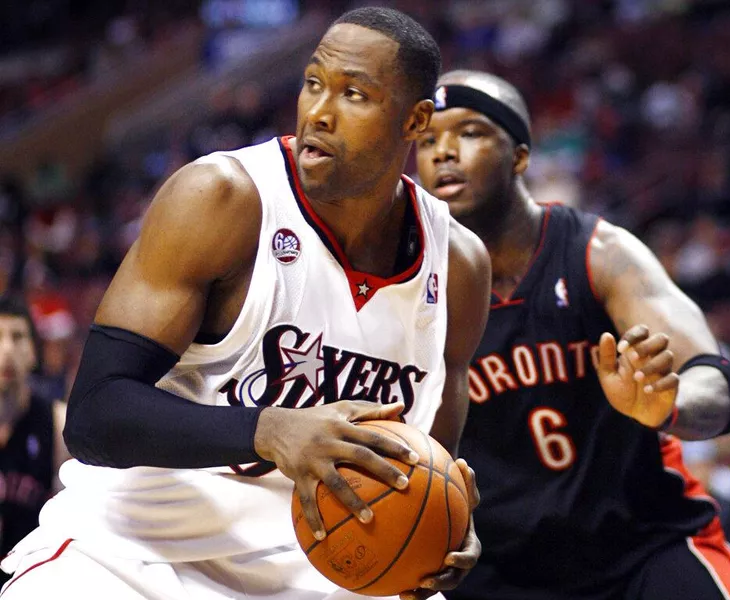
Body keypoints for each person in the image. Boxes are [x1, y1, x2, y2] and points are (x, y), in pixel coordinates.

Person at [0, 10, 491, 600]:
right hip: (139, 557)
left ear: (415, 120)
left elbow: (429, 468)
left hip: (325, 573)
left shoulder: (458, 265)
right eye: (314, 84)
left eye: (354, 93)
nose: (319, 113)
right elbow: (94, 417)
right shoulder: (223, 199)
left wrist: (444, 529)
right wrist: (269, 430)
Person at [416, 70, 730, 600]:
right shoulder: (416, 289)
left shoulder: (599, 253)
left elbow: (718, 384)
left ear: (520, 156)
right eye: (428, 140)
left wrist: (667, 405)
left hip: (640, 545)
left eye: (471, 132)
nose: (444, 153)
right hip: (496, 567)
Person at [0, 294, 69, 586]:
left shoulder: (58, 424)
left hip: (30, 582)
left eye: (17, 337)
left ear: (33, 352)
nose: (7, 350)